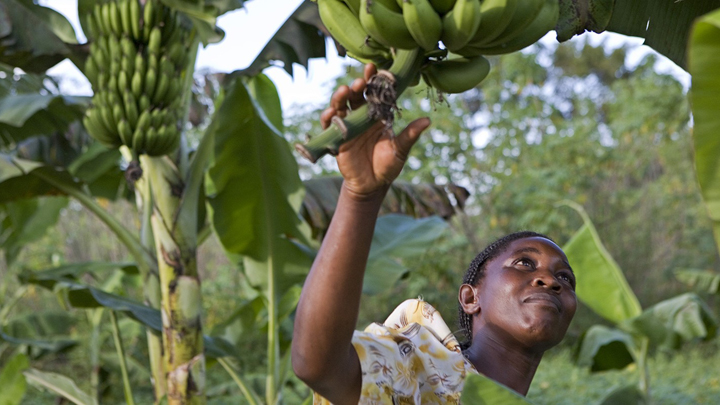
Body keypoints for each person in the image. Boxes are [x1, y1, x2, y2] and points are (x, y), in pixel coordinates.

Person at [291, 64, 578, 404]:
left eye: (565, 277)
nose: (550, 280)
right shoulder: (420, 371)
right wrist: (360, 196)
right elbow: (319, 365)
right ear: (471, 298)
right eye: (525, 264)